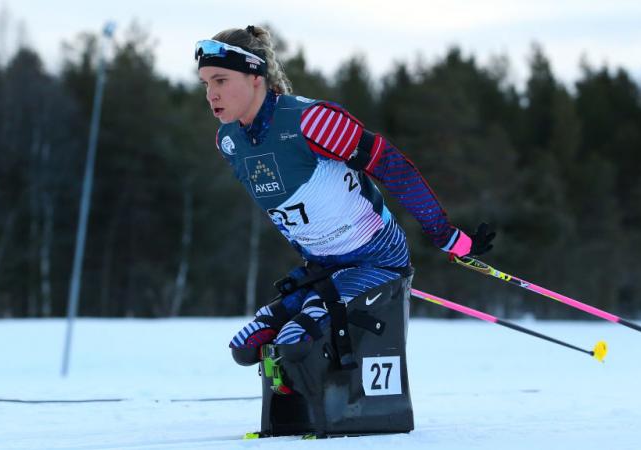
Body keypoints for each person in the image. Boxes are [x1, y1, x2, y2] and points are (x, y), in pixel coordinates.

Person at [196, 25, 495, 364]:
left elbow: (395, 169)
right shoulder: (229, 142)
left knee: (296, 343)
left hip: (377, 256)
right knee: (246, 347)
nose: (211, 95)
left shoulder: (311, 120)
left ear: (255, 77)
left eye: (220, 81)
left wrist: (446, 236)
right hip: (323, 265)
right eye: (205, 84)